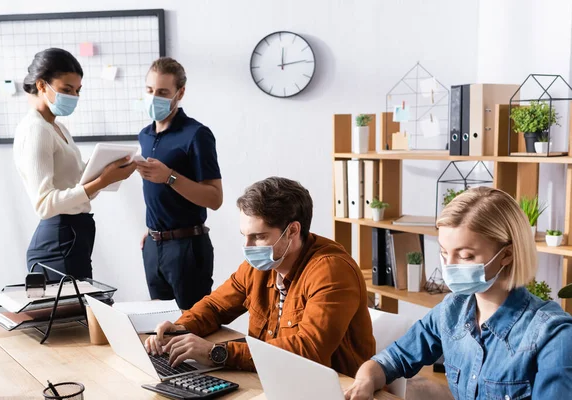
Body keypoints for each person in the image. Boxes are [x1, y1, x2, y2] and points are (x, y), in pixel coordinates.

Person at [345, 187, 572, 400]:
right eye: (444, 253)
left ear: (507, 255)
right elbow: (392, 359)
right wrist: (366, 378)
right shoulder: (452, 310)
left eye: (465, 256)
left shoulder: (553, 335)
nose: (449, 267)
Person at [144, 177, 374, 378]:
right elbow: (215, 307)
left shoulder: (331, 271)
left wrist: (216, 353)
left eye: (259, 236)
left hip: (329, 387)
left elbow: (310, 349)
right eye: (244, 236)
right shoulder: (259, 266)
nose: (247, 247)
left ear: (293, 231)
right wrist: (181, 328)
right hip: (273, 376)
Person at [14, 48, 136, 280]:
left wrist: (105, 173)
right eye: (66, 90)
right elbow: (44, 204)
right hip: (58, 241)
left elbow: (76, 187)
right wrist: (102, 180)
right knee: (75, 314)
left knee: (81, 311)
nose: (74, 97)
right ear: (41, 86)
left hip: (73, 235)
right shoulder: (36, 130)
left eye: (78, 91)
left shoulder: (57, 127)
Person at [135, 57, 222, 310]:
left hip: (187, 248)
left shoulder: (196, 134)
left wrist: (169, 176)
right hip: (153, 245)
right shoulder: (145, 134)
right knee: (159, 326)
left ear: (180, 93)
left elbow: (215, 198)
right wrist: (155, 230)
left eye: (163, 92)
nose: (154, 98)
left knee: (190, 328)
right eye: (150, 91)